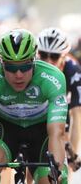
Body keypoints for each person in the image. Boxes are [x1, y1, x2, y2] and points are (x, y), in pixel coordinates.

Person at [0, 29, 68, 183]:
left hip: (41, 130)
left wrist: (56, 169)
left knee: (51, 179)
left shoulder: (53, 77)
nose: (19, 75)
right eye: (11, 68)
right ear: (1, 63)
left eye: (25, 66)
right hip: (6, 126)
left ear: (34, 60)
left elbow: (57, 133)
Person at [37, 27, 81, 172]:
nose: (48, 61)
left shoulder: (72, 70)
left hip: (61, 106)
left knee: (65, 161)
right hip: (36, 107)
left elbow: (76, 115)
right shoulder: (31, 67)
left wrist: (72, 153)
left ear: (64, 56)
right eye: (43, 55)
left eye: (54, 57)